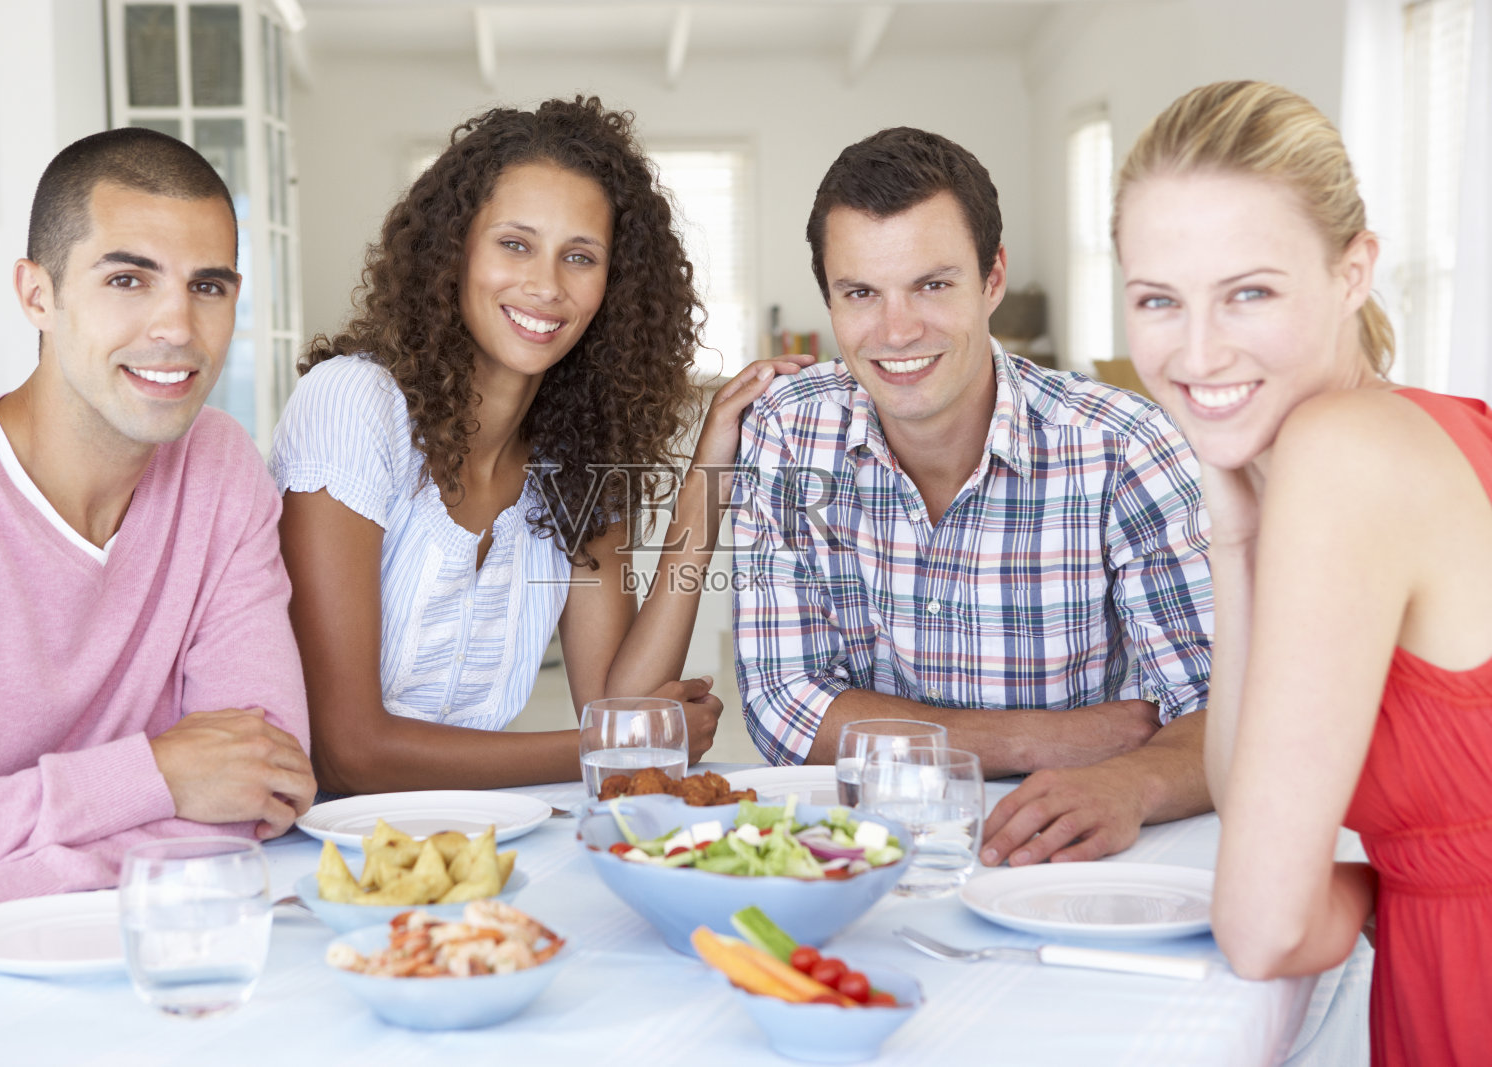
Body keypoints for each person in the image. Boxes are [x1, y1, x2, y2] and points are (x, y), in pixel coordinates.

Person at [271, 97, 810, 793]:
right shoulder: (351, 407)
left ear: (612, 287)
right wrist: (612, 741)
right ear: (455, 248)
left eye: (579, 256)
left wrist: (703, 490)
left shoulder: (576, 454)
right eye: (515, 244)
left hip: (474, 845)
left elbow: (618, 707)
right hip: (315, 850)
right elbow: (348, 751)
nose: (546, 286)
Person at [1116, 80, 1492, 1064]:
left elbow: (1264, 923)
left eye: (1250, 291)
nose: (1196, 352)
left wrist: (1386, 889)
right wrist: (1233, 530)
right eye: (1159, 299)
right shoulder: (1417, 428)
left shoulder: (1345, 452)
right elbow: (1251, 799)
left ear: (1352, 271)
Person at [731, 126, 1215, 866]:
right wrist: (1043, 738)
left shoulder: (1123, 444)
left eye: (932, 284)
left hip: (1073, 854)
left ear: (992, 280)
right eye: (861, 292)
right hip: (866, 857)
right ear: (829, 297)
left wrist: (1131, 784)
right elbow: (786, 707)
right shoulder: (790, 430)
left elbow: (1219, 707)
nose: (897, 330)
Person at [0, 128, 317, 961]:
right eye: (128, 278)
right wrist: (154, 773)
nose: (177, 326)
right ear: (37, 294)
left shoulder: (221, 467)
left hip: (102, 953)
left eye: (209, 286)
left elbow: (256, 785)